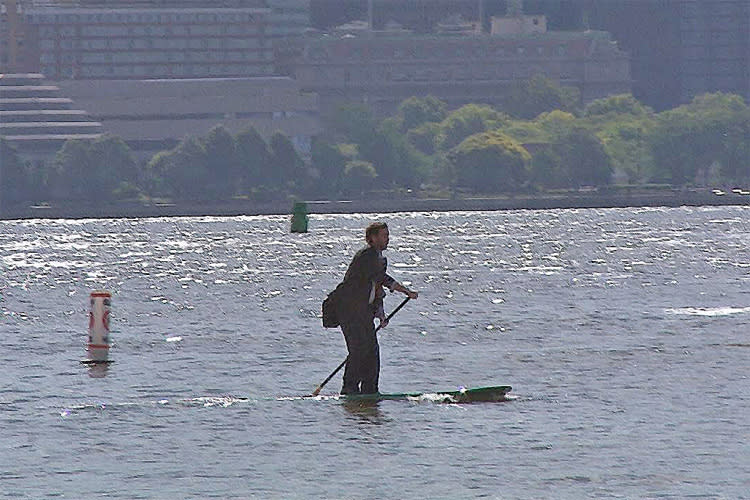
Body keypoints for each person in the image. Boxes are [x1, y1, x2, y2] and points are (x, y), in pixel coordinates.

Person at [329, 222, 418, 395]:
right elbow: (381, 278)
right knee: (359, 350)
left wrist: (381, 315)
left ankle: (370, 392)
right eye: (384, 235)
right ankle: (349, 391)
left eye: (388, 235)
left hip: (364, 313)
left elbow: (377, 289)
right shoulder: (366, 256)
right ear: (373, 238)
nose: (387, 238)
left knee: (372, 352)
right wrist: (405, 290)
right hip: (349, 311)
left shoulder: (380, 259)